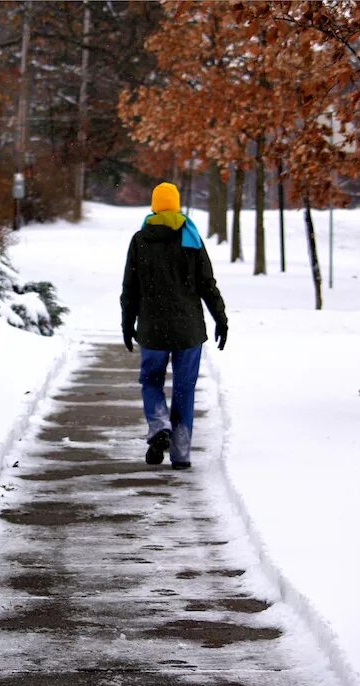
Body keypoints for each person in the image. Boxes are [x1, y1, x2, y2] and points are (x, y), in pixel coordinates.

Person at [120, 182, 228, 470]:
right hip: (188, 330)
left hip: (153, 329)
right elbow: (207, 284)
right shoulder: (190, 239)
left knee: (151, 381)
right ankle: (180, 454)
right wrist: (221, 318)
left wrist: (127, 322)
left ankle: (158, 424)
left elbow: (130, 288)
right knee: (184, 390)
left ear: (154, 206)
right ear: (177, 205)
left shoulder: (141, 239)